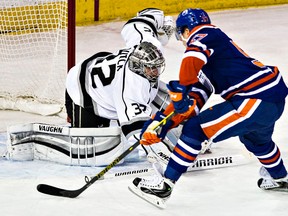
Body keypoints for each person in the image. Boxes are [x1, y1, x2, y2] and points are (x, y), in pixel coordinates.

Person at [129, 8, 288, 208]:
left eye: (181, 35)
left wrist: (182, 90)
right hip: (272, 100)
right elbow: (193, 102)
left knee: (195, 129)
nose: (183, 41)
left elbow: (190, 62)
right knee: (256, 140)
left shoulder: (205, 33)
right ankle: (279, 177)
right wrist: (161, 125)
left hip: (253, 99)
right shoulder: (214, 56)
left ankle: (164, 185)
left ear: (186, 30)